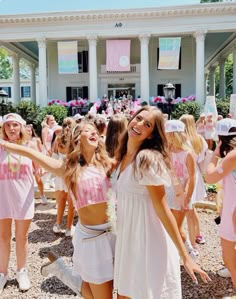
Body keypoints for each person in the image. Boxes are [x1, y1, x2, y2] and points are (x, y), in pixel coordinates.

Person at [0, 121, 116, 299]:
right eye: (87, 130)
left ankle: (64, 272)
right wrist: (5, 144)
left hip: (115, 235)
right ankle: (65, 273)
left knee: (95, 294)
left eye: (95, 131)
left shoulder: (109, 163)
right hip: (92, 240)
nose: (94, 133)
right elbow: (31, 153)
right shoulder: (68, 169)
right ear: (77, 139)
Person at [113, 106, 210, 299]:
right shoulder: (122, 156)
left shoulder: (146, 159)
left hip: (148, 239)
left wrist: (185, 255)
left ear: (151, 135)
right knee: (125, 293)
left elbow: (163, 207)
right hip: (129, 237)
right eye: (138, 118)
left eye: (147, 124)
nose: (139, 124)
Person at [0, 113, 37, 293]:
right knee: (3, 237)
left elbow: (40, 169)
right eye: (8, 126)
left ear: (21, 127)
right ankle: (2, 273)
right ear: (3, 129)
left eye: (15, 125)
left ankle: (22, 271)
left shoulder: (30, 147)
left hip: (24, 199)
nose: (12, 129)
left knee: (21, 237)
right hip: (2, 200)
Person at [205, 117, 236, 288]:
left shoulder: (232, 156)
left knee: (229, 257)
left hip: (234, 211)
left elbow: (209, 177)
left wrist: (215, 155)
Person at [165, 119, 198, 259]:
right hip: (167, 192)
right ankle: (174, 254)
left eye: (167, 133)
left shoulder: (188, 153)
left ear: (173, 134)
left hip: (180, 194)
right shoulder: (166, 151)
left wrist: (188, 197)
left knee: (176, 228)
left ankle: (190, 252)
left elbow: (192, 177)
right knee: (168, 226)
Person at [179, 114, 207, 248]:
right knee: (191, 207)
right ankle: (198, 234)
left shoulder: (182, 140)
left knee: (189, 208)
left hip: (185, 175)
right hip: (195, 171)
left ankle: (192, 241)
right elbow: (202, 158)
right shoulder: (199, 139)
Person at [51, 117, 75, 236]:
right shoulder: (75, 139)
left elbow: (54, 157)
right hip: (70, 172)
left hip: (60, 172)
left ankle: (57, 224)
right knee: (71, 204)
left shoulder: (58, 139)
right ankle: (69, 229)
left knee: (61, 201)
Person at [25, 124, 47, 204]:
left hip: (35, 160)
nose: (28, 132)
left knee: (38, 180)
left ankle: (42, 194)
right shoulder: (21, 142)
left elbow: (40, 150)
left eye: (30, 131)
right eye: (26, 131)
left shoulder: (36, 140)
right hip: (26, 162)